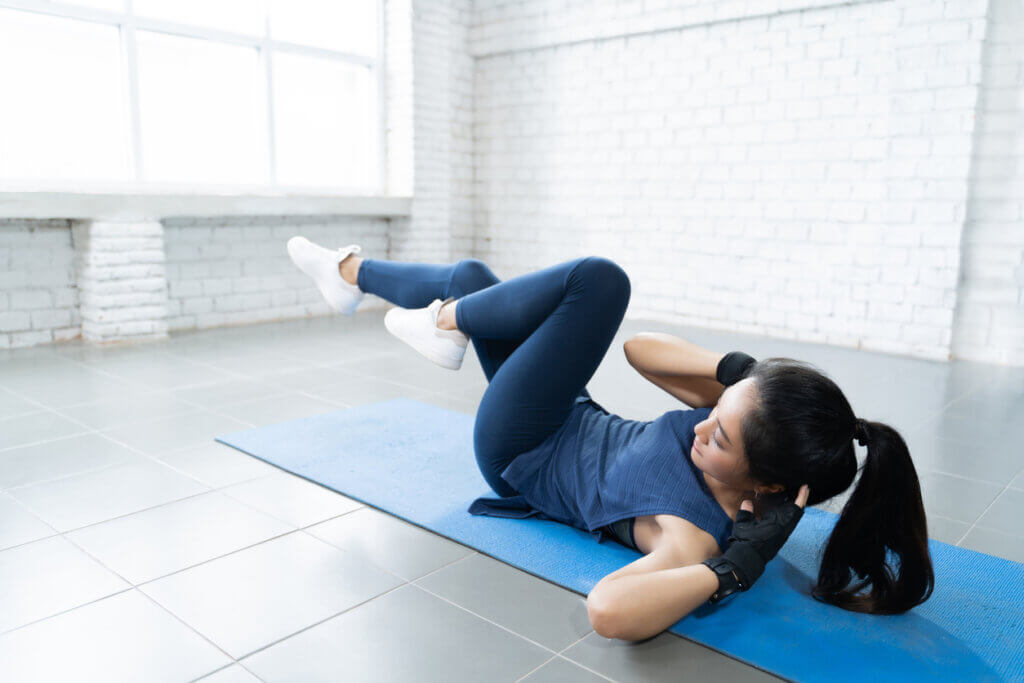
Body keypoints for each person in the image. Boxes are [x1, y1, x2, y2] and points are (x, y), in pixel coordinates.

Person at [286, 237, 935, 641]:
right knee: (476, 276)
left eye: (720, 434)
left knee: (600, 281)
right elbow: (639, 351)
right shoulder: (741, 428)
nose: (703, 425)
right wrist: (741, 379)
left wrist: (734, 567)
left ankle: (442, 322)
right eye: (718, 411)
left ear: (764, 482)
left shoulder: (693, 534)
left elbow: (610, 609)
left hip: (520, 448)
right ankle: (352, 275)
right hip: (566, 409)